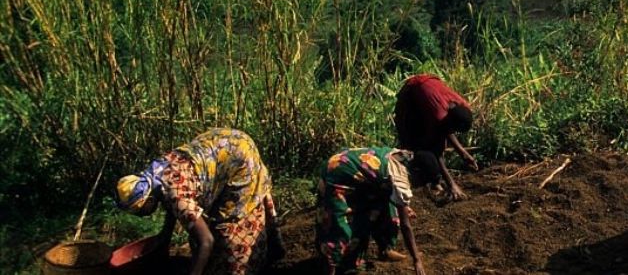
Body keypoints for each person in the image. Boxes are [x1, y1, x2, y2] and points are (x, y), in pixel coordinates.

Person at [115, 127, 284, 275]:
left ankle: (254, 261)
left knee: (231, 225)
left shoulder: (175, 193)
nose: (143, 214)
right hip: (222, 141)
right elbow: (173, 207)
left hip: (238, 155)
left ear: (148, 199)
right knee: (206, 227)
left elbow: (207, 241)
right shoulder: (157, 174)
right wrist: (163, 239)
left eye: (141, 210)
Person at [315, 147, 441, 275]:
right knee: (339, 226)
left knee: (383, 207)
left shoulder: (405, 156)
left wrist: (404, 206)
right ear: (416, 171)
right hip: (337, 173)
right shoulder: (400, 179)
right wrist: (417, 260)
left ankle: (384, 249)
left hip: (353, 170)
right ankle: (330, 266)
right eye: (422, 182)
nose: (421, 186)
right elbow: (406, 226)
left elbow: (390, 185)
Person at [393, 74, 479, 200]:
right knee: (415, 145)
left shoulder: (461, 105)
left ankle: (431, 176)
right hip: (410, 97)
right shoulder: (438, 116)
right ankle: (425, 180)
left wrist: (463, 152)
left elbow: (446, 128)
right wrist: (452, 184)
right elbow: (437, 151)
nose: (453, 132)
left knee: (432, 140)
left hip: (427, 92)